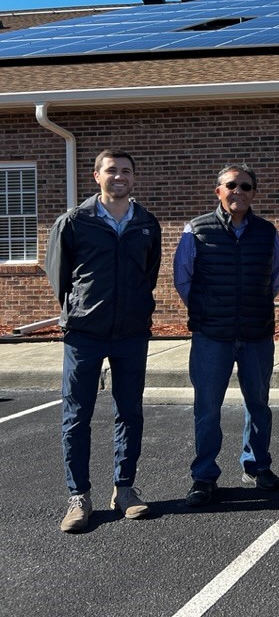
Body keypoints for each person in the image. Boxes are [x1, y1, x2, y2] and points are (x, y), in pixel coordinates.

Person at [45, 149, 162, 533]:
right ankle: (79, 497)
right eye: (112, 170)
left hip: (131, 334)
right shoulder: (74, 222)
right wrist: (79, 310)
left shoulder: (146, 223)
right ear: (97, 175)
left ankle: (124, 489)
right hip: (85, 334)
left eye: (126, 171)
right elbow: (60, 278)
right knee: (76, 416)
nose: (119, 177)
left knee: (130, 412)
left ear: (134, 177)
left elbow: (149, 273)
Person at [173, 163, 279, 507]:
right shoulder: (197, 230)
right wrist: (206, 312)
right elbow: (183, 279)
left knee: (259, 406)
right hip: (211, 336)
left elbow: (275, 279)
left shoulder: (267, 232)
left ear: (254, 192)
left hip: (256, 334)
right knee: (207, 409)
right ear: (218, 191)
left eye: (246, 186)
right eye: (231, 185)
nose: (239, 191)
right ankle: (204, 476)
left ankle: (257, 465)